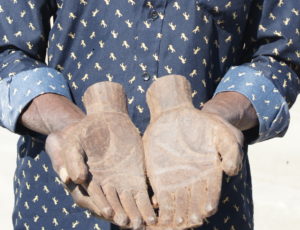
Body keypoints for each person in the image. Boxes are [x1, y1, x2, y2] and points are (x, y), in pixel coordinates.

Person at [0, 0, 299, 229]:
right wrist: (68, 124)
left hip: (208, 201)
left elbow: (280, 56)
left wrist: (218, 116)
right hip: (60, 206)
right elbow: (9, 51)